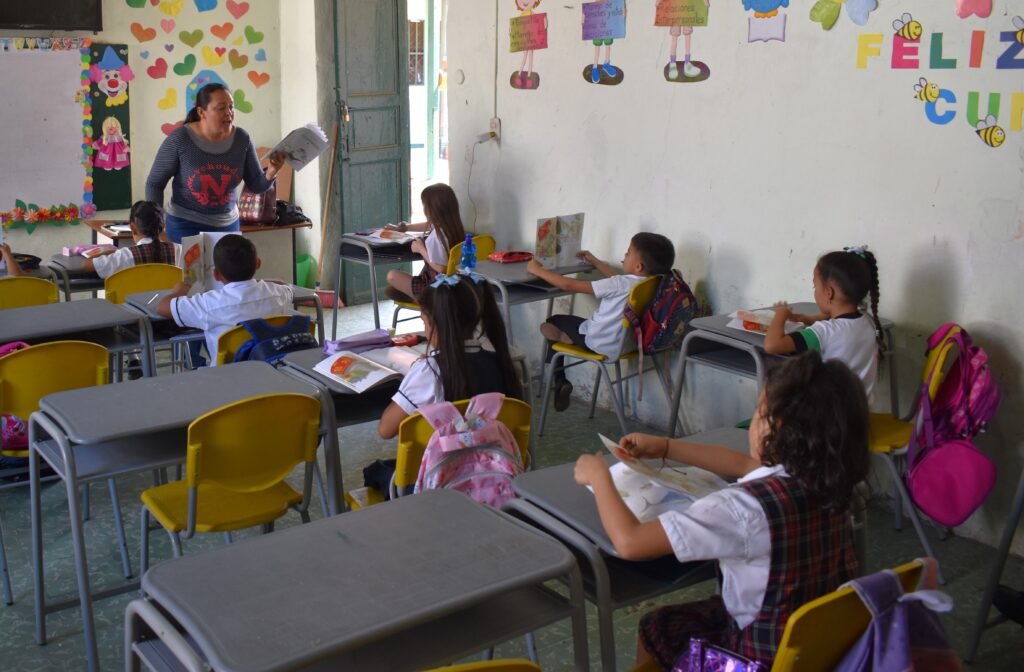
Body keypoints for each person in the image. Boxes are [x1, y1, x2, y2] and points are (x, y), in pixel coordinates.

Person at [574, 351, 869, 668]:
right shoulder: (834, 484)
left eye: (758, 411)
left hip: (755, 657)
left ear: (775, 426)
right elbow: (746, 463)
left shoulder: (743, 509)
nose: (754, 419)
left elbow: (630, 542)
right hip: (817, 649)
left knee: (656, 626)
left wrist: (600, 476)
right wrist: (666, 447)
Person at [527, 232, 674, 411]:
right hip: (631, 344)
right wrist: (596, 262)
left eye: (628, 253)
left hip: (601, 343)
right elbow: (617, 282)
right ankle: (565, 351)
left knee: (550, 322)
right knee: (562, 325)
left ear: (638, 266)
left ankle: (560, 379)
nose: (624, 255)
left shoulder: (621, 284)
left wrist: (537, 270)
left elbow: (568, 285)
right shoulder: (655, 282)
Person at [378, 273, 521, 439]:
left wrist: (413, 375)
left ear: (437, 324)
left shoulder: (428, 372)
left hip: (441, 464)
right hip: (495, 462)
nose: (425, 330)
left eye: (424, 322)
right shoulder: (502, 364)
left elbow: (385, 430)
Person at [145, 83, 285, 243]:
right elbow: (154, 184)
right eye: (221, 108)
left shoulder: (242, 139)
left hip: (228, 225)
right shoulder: (180, 140)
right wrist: (157, 230)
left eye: (231, 107)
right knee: (187, 269)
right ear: (201, 112)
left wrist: (272, 171)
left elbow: (256, 185)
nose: (229, 113)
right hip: (184, 225)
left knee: (229, 269)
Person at [764, 245, 883, 400]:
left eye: (815, 285)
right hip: (861, 416)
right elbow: (835, 321)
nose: (814, 290)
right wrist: (809, 319)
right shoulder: (867, 321)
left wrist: (781, 314)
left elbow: (772, 345)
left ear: (829, 292)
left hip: (828, 419)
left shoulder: (824, 332)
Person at [155, 234, 293, 365]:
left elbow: (162, 308)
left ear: (216, 274)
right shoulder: (278, 294)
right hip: (271, 371)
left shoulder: (209, 304)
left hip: (226, 377)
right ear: (257, 263)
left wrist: (180, 291)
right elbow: (285, 285)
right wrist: (258, 283)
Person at [383, 183, 466, 302]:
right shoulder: (453, 227)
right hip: (453, 286)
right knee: (392, 289)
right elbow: (428, 225)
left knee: (392, 276)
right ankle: (417, 297)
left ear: (429, 209)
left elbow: (442, 268)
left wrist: (421, 249)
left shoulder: (436, 237)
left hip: (436, 290)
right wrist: (403, 228)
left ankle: (424, 301)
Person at [84, 201, 177, 278]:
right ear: (163, 226)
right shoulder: (180, 250)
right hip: (170, 300)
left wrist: (107, 252)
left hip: (132, 301)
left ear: (132, 228)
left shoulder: (126, 256)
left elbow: (87, 265)